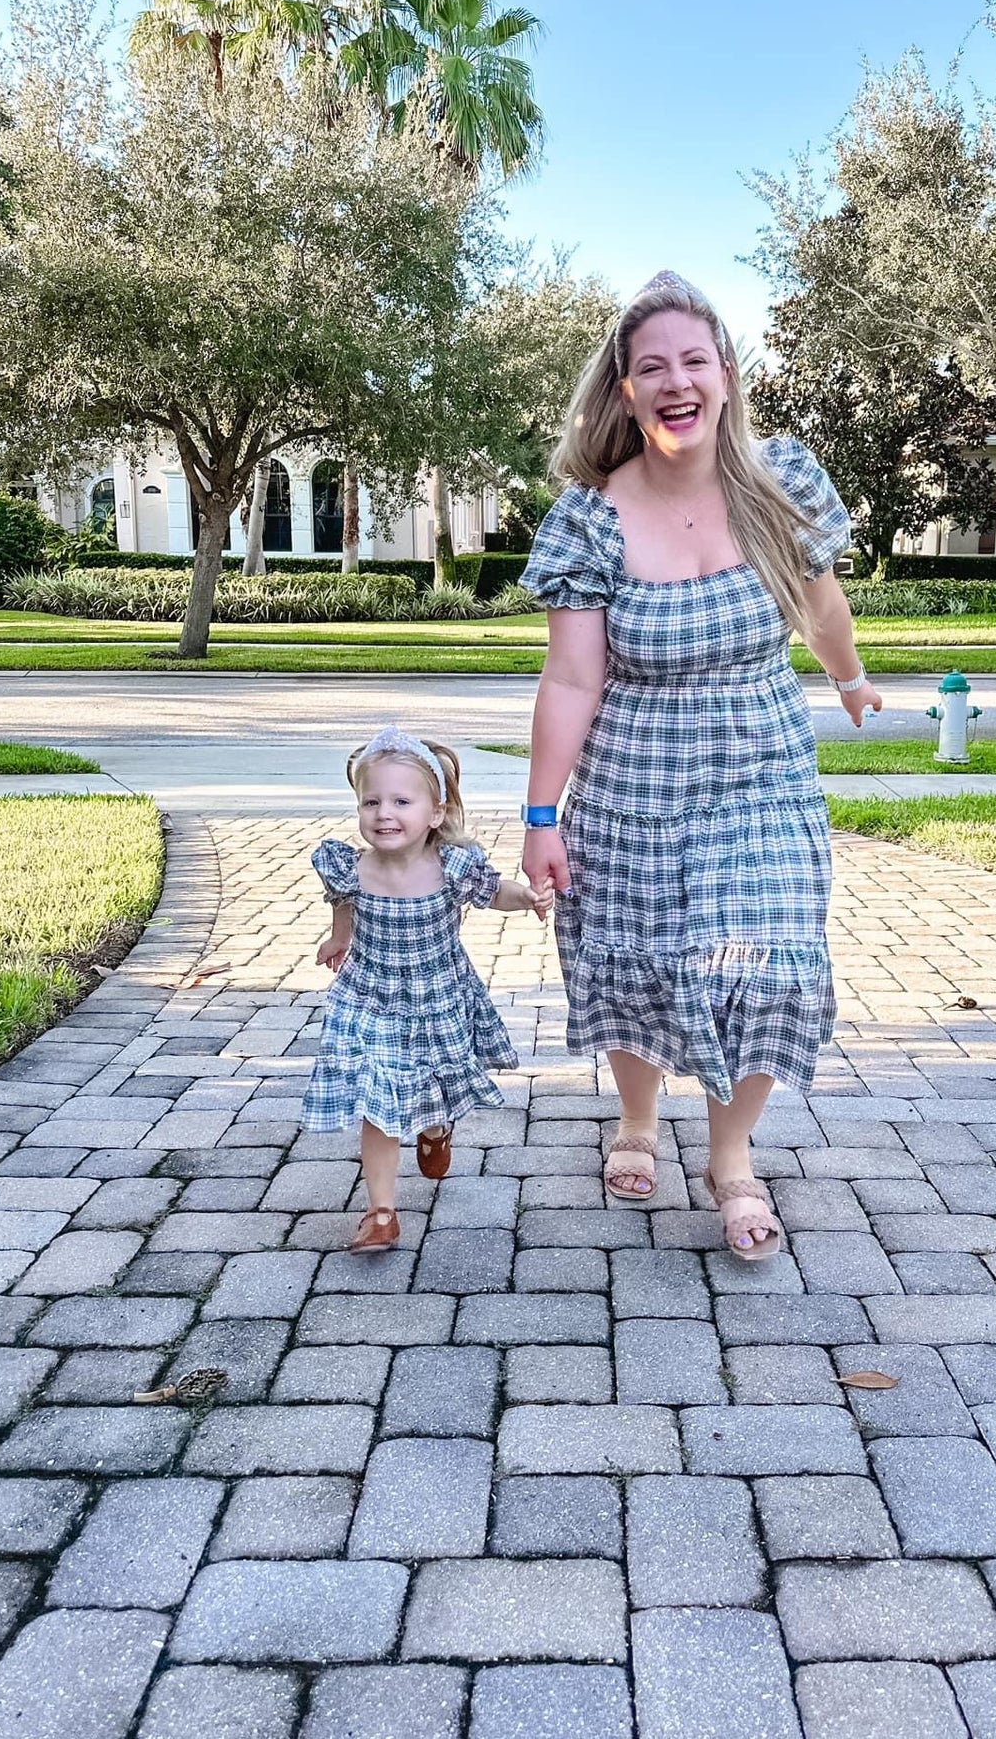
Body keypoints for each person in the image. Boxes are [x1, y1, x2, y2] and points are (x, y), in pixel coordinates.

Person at [520, 271, 881, 1259]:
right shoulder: (588, 520)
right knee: (639, 963)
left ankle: (731, 1158)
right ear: (624, 391)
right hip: (634, 786)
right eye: (650, 367)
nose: (674, 380)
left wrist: (847, 679)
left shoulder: (780, 482)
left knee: (765, 962)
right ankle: (637, 1122)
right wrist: (540, 816)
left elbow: (818, 606)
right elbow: (569, 680)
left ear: (724, 373)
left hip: (762, 774)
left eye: (692, 360)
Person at [303, 727, 551, 1251]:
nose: (383, 813)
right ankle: (381, 1211)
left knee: (431, 1084)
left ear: (435, 813)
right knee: (375, 1096)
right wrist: (338, 937)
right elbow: (342, 902)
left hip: (437, 997)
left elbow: (494, 892)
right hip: (368, 998)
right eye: (371, 801)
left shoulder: (451, 867)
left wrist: (527, 897)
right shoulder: (349, 867)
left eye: (401, 801)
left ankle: (436, 1129)